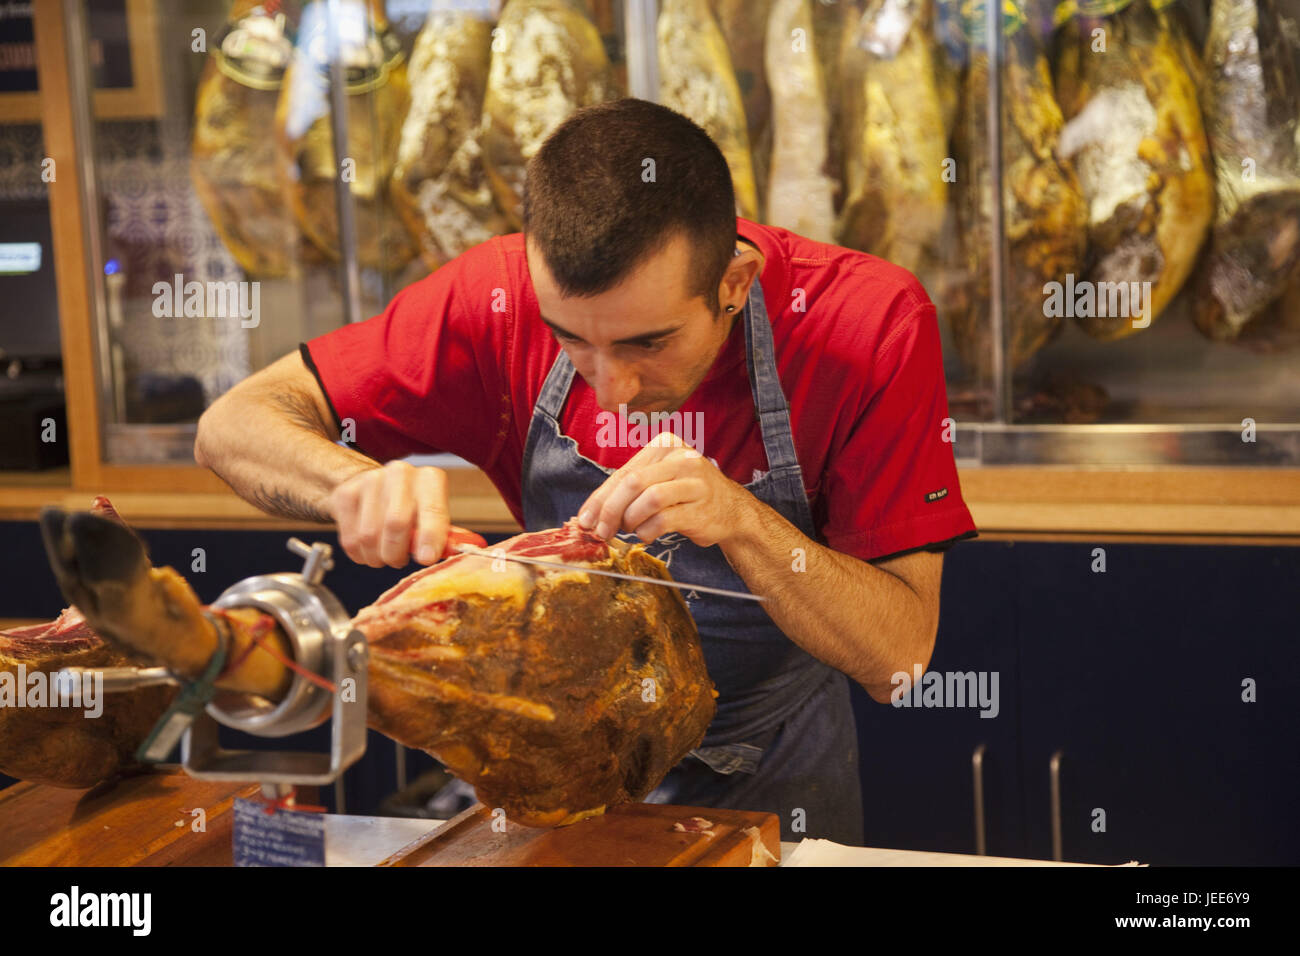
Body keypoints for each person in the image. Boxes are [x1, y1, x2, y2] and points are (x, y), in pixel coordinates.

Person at [195, 98, 977, 845]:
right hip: (553, 767)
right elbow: (232, 425)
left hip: (772, 779)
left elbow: (900, 662)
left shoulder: (866, 324)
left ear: (734, 284)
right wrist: (349, 483)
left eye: (647, 344)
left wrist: (744, 519)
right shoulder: (495, 298)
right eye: (570, 338)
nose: (612, 388)